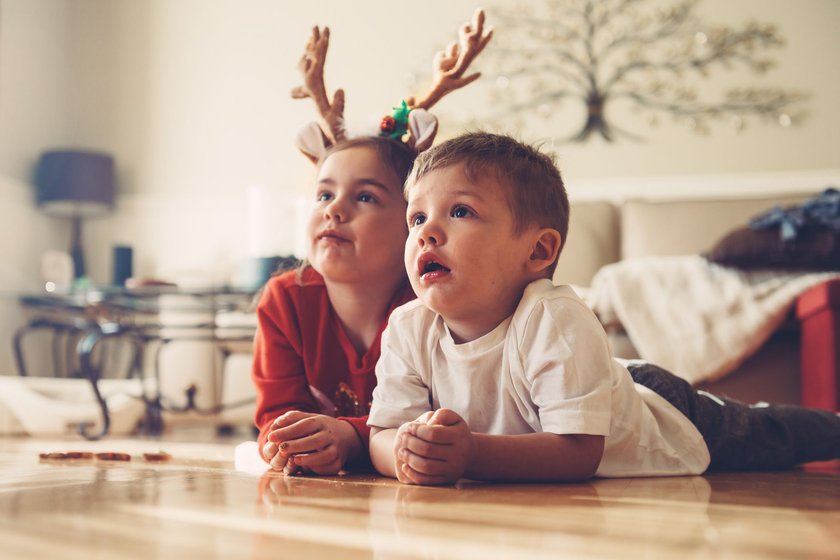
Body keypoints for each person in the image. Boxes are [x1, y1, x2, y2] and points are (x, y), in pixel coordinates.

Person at [367, 131, 840, 485]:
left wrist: (468, 455)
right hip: (602, 378)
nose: (426, 232)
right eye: (416, 218)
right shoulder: (409, 328)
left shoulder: (553, 317)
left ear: (537, 252)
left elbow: (577, 452)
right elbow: (382, 435)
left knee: (764, 433)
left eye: (460, 211)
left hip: (657, 410)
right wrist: (407, 454)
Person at [253, 136, 416, 475]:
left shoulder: (430, 309)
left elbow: (433, 419)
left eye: (365, 197)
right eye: (324, 195)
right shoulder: (284, 301)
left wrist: (351, 439)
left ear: (413, 223)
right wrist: (287, 444)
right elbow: (276, 414)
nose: (334, 210)